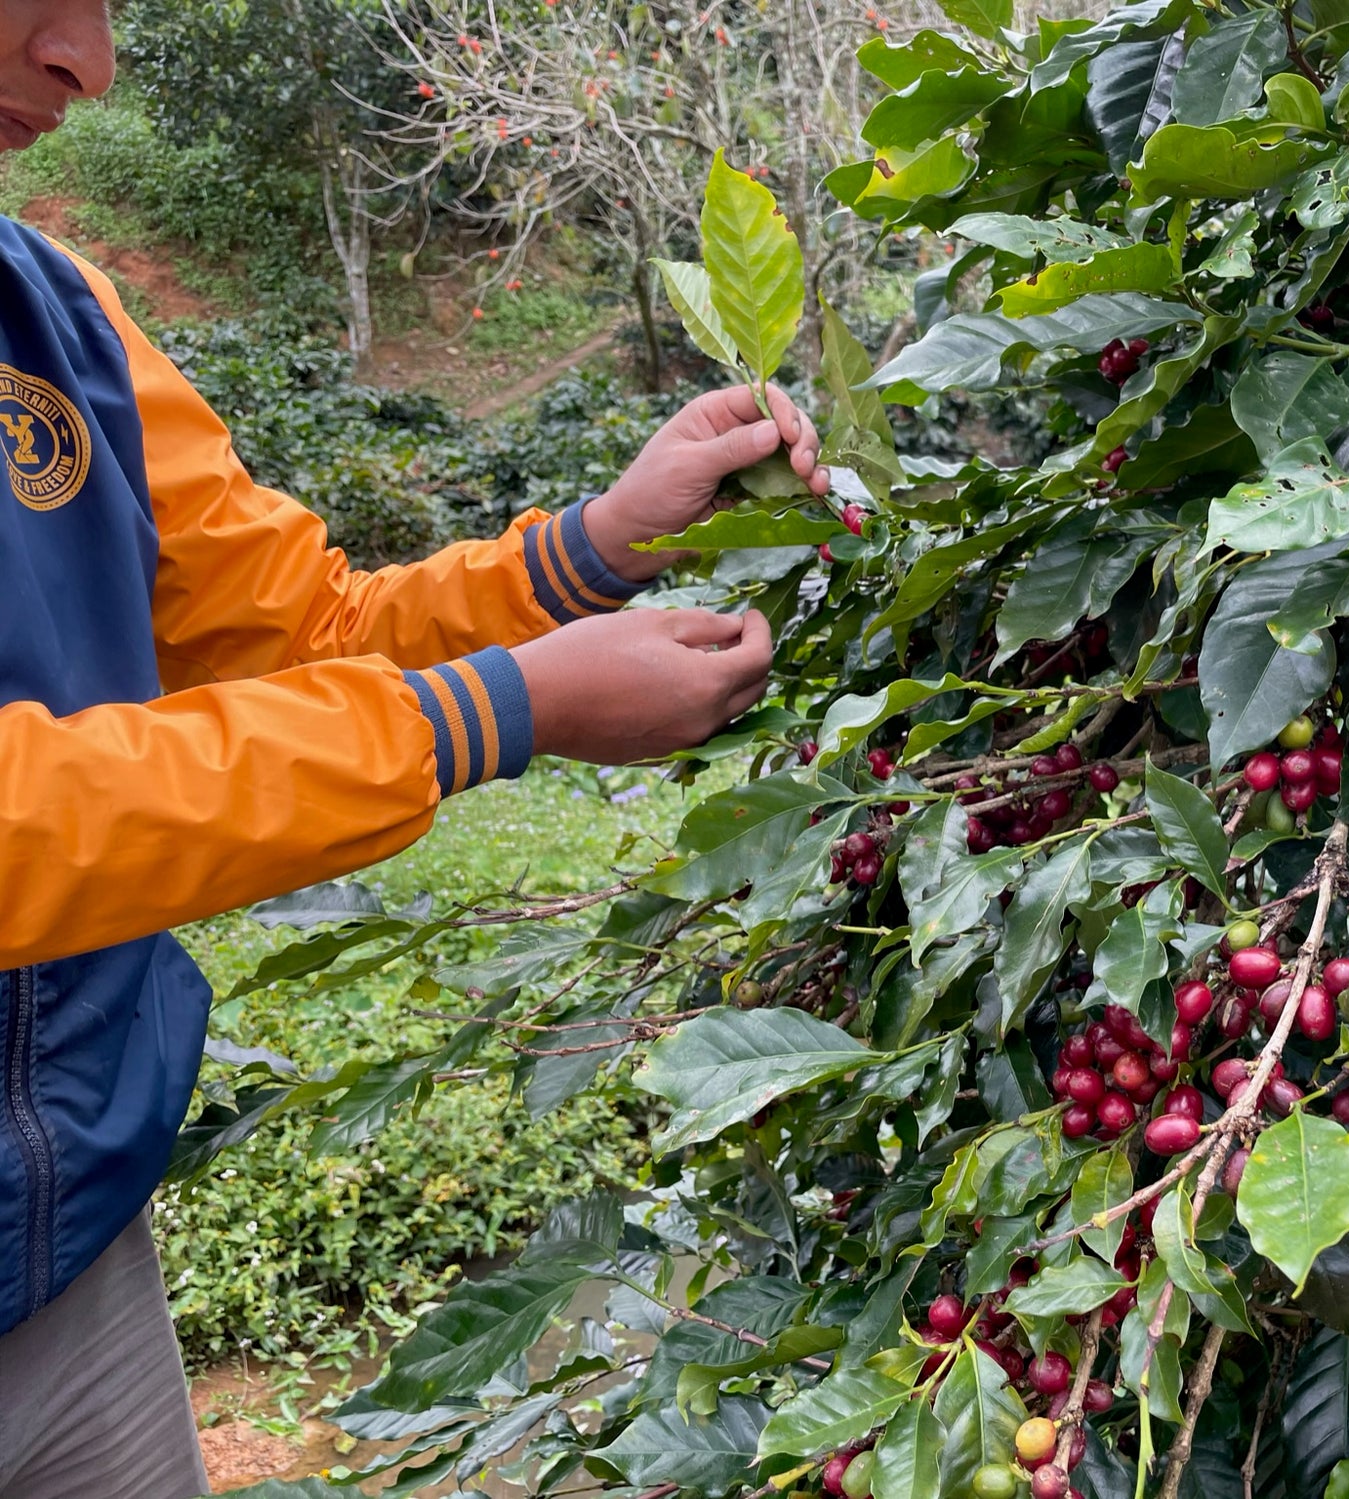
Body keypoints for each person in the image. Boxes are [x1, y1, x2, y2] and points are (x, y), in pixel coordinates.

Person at [0, 4, 828, 1493]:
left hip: (63, 1246)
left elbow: (300, 624)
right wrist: (497, 711)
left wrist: (593, 547)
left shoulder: (53, 315)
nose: (87, 63)